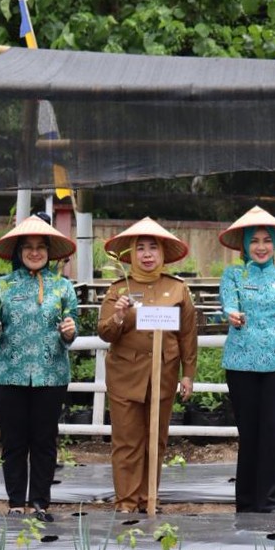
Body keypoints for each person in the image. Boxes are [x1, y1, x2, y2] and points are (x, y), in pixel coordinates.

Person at [97, 217, 198, 513]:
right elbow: (104, 332)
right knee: (126, 440)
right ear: (131, 254)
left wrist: (188, 374)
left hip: (163, 375)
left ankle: (147, 498)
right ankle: (126, 501)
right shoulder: (119, 289)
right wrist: (119, 315)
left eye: (153, 247)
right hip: (124, 376)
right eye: (140, 248)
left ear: (162, 252)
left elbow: (188, 335)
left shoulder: (178, 289)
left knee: (156, 439)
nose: (147, 254)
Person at [0, 216, 79, 522]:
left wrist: (69, 332)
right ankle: (15, 502)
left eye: (41, 247)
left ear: (49, 252)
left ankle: (40, 502)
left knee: (44, 442)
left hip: (51, 376)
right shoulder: (0, 286)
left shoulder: (63, 287)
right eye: (28, 247)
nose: (35, 252)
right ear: (18, 251)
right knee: (13, 442)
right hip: (8, 375)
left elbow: (72, 329)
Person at [219, 206, 275, 514]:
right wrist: (232, 314)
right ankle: (247, 501)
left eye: (266, 240)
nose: (261, 247)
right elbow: (229, 304)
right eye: (254, 241)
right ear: (244, 245)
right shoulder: (233, 275)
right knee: (249, 432)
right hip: (240, 362)